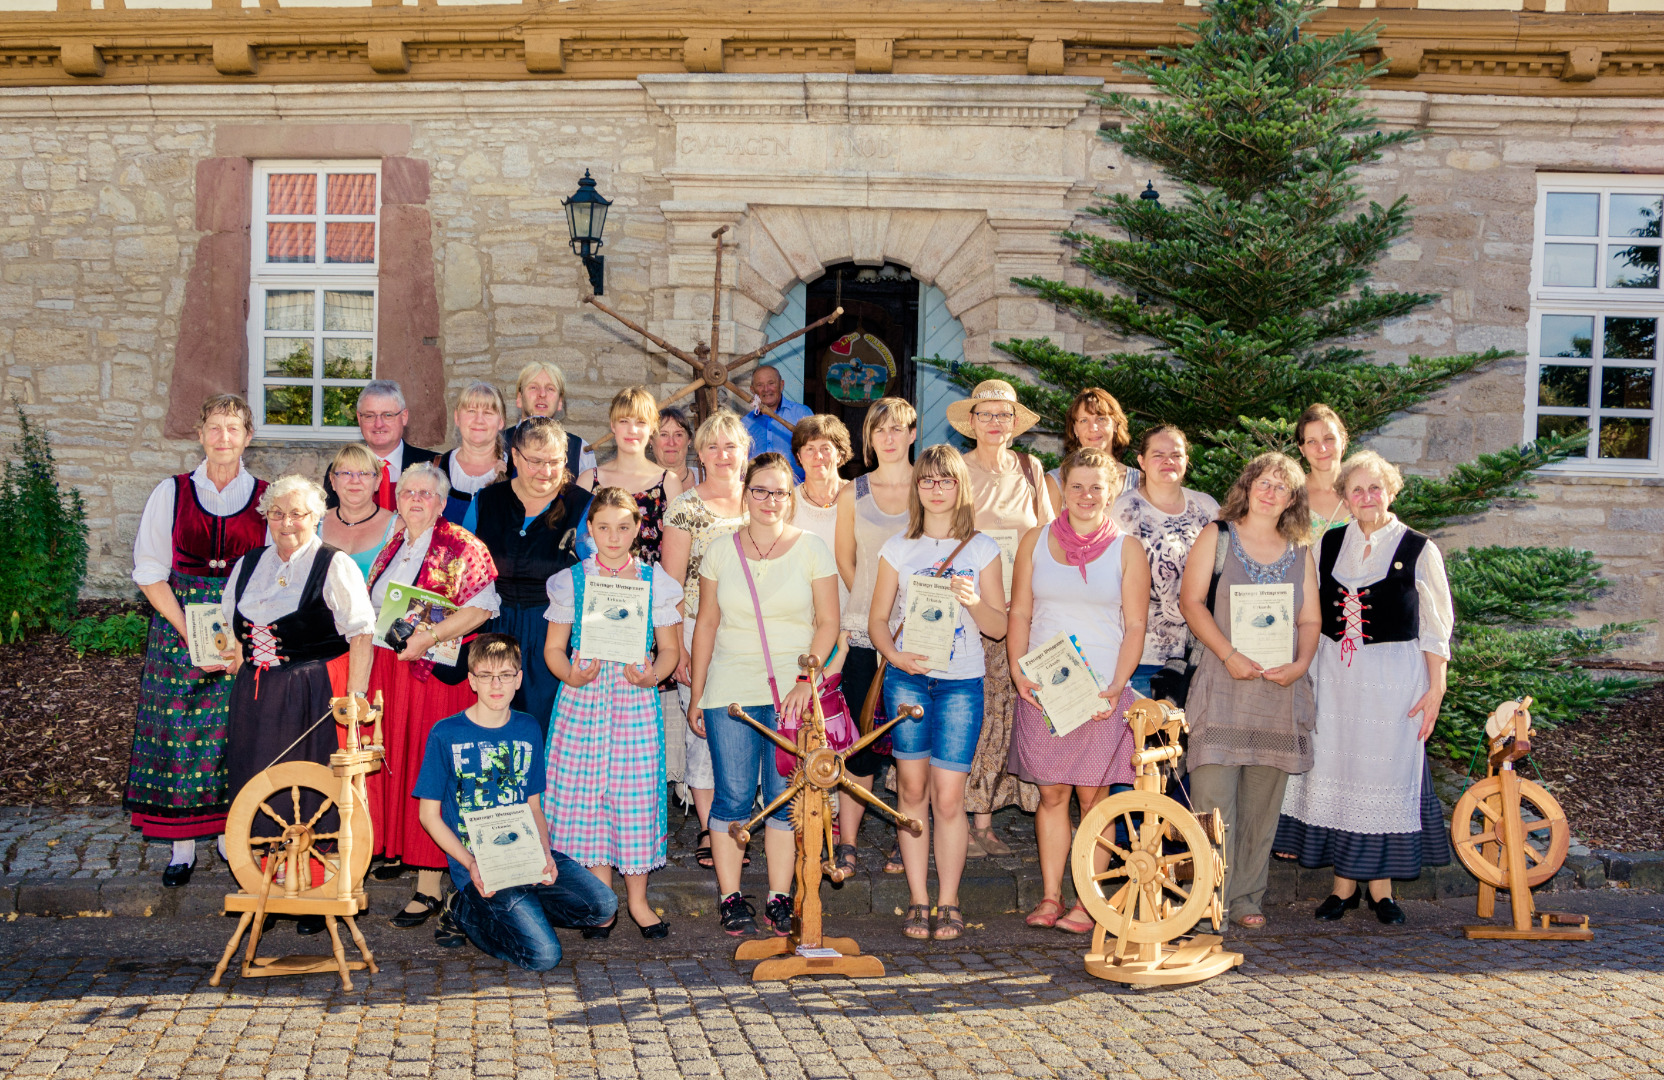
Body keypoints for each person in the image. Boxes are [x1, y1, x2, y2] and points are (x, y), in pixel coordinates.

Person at [1275, 450, 1454, 926]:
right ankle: (1342, 889)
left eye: (1376, 487)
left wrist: (1435, 688)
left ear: (1390, 491)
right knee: (1339, 768)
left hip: (1395, 680)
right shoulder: (1329, 543)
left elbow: (1436, 629)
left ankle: (1382, 891)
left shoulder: (1419, 549)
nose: (1367, 496)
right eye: (1357, 489)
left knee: (1382, 774)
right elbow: (1308, 612)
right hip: (1335, 677)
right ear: (1346, 498)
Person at [687, 452, 839, 937]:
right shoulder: (719, 550)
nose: (770, 500)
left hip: (793, 694)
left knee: (782, 797)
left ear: (790, 498)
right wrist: (697, 693)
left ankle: (778, 897)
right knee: (732, 795)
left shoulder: (813, 548)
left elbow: (828, 623)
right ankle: (730, 898)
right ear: (746, 493)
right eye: (760, 490)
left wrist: (805, 681)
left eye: (779, 492)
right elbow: (707, 624)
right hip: (729, 690)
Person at [218, 475, 375, 934]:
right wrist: (229, 660)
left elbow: (361, 634)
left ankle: (313, 892)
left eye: (297, 514)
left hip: (310, 693)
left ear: (316, 517)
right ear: (266, 517)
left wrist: (355, 698)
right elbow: (233, 635)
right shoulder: (249, 564)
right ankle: (264, 889)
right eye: (277, 513)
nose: (286, 523)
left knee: (307, 790)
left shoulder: (334, 564)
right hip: (254, 694)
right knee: (254, 783)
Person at [125, 394, 270, 887]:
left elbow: (273, 573)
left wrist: (239, 638)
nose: (223, 437)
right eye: (215, 427)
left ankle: (232, 837)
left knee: (235, 731)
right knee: (179, 733)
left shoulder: (266, 497)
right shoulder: (171, 492)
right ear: (201, 433)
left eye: (233, 428)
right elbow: (149, 570)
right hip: (178, 624)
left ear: (248, 437)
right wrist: (191, 632)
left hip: (241, 625)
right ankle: (181, 846)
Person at [1007, 447, 1150, 935]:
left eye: (1096, 487)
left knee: (1094, 799)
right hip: (1044, 689)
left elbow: (1135, 626)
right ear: (1062, 489)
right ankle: (1051, 896)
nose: (1086, 495)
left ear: (1111, 492)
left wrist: (1117, 685)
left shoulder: (1127, 549)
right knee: (1051, 796)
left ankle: (1089, 900)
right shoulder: (1035, 540)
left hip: (1101, 693)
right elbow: (1020, 612)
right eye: (1077, 486)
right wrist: (1018, 672)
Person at [868, 444, 1007, 942]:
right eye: (927, 480)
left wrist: (973, 601)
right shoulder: (897, 548)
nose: (936, 488)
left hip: (961, 683)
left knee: (949, 798)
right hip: (908, 678)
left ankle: (949, 900)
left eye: (946, 480)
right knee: (911, 791)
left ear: (960, 487)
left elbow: (999, 626)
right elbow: (877, 620)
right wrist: (895, 656)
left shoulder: (982, 548)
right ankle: (918, 899)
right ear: (917, 488)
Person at [415, 634, 618, 970]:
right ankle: (462, 908)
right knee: (544, 957)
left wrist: (545, 852)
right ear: (471, 680)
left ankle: (522, 909)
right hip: (481, 865)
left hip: (526, 855)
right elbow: (428, 816)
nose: (496, 685)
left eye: (505, 675)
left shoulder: (528, 727)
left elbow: (534, 806)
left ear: (518, 679)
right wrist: (469, 864)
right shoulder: (445, 733)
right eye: (486, 676)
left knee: (603, 906)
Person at [1179, 454, 1320, 931]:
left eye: (1282, 487)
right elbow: (1191, 602)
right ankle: (1205, 898)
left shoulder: (1300, 551)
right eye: (1264, 482)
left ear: (1292, 499)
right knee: (1211, 802)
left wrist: (1300, 665)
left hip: (1278, 695)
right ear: (1248, 485)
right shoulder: (1217, 536)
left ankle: (1245, 897)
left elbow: (1310, 619)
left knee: (1261, 808)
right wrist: (1229, 654)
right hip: (1223, 686)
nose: (1270, 492)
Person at [543, 488, 684, 939]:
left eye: (623, 527)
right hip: (583, 699)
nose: (613, 536)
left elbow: (670, 650)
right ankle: (602, 901)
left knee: (632, 795)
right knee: (588, 795)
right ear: (590, 529)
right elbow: (553, 648)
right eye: (604, 527)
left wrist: (652, 675)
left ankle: (638, 902)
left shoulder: (654, 581)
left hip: (632, 700)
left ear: (638, 529)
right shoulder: (572, 580)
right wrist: (570, 674)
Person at [364, 462, 500, 927]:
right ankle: (399, 851)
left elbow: (482, 609)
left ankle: (429, 886)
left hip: (433, 676)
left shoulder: (463, 545)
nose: (416, 500)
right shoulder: (394, 543)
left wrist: (429, 636)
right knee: (397, 764)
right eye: (408, 492)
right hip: (389, 669)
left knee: (431, 771)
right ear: (397, 500)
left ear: (442, 503)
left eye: (426, 493)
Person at [948, 378, 1053, 855]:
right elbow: (944, 535)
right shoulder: (957, 470)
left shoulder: (1031, 470)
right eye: (986, 414)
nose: (995, 422)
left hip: (1023, 610)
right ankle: (963, 818)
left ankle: (985, 821)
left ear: (1015, 423)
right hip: (970, 608)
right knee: (975, 712)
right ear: (971, 422)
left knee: (1008, 712)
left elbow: (1047, 538)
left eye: (1004, 415)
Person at [659, 410, 750, 868]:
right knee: (704, 731)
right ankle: (710, 827)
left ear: (745, 451)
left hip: (754, 633)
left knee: (747, 728)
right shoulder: (684, 509)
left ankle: (740, 822)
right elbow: (670, 587)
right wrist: (677, 648)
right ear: (700, 453)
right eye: (712, 446)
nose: (722, 455)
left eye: (730, 446)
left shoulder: (763, 500)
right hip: (699, 629)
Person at [832, 397, 916, 877]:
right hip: (865, 631)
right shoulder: (854, 492)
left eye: (897, 428)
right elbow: (845, 558)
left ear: (911, 434)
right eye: (879, 429)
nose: (888, 437)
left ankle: (907, 838)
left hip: (916, 632)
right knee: (860, 739)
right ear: (869, 437)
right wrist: (873, 606)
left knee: (910, 744)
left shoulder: (928, 487)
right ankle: (847, 842)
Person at [472, 418, 590, 736]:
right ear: (514, 455)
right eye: (535, 461)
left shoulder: (582, 506)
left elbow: (601, 573)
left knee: (544, 733)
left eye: (554, 462)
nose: (545, 472)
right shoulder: (485, 502)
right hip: (491, 632)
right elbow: (461, 571)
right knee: (492, 733)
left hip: (553, 638)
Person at [1112, 426, 1222, 696]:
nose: (1168, 461)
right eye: (1158, 455)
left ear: (1187, 460)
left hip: (1200, 656)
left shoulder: (1208, 507)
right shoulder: (1121, 511)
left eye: (1176, 455)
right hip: (1143, 659)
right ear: (1141, 461)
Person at [576, 386, 682, 566]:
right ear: (613, 425)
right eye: (624, 421)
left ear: (652, 428)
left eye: (640, 422)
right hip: (596, 582)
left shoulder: (669, 484)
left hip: (651, 583)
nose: (632, 430)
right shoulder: (588, 481)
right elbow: (575, 544)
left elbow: (676, 557)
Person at [325, 380, 438, 510]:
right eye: (369, 416)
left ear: (404, 417)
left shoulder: (433, 466)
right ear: (359, 418)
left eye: (387, 415)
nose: (378, 424)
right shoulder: (340, 472)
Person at [1043, 388, 1141, 517]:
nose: (1093, 428)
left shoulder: (1139, 481)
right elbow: (1048, 529)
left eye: (1101, 419)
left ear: (1115, 425)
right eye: (1084, 420)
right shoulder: (1055, 481)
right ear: (1075, 429)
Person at [791, 413, 853, 611]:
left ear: (840, 454)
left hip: (850, 610)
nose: (818, 456)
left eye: (826, 448)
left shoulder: (859, 499)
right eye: (809, 449)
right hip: (801, 614)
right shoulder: (787, 503)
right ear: (799, 457)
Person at [318, 443, 398, 580]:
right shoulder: (314, 524)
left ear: (377, 481)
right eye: (346, 473)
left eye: (364, 473)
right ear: (333, 480)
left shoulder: (397, 529)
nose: (355, 481)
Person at [437, 380, 509, 528]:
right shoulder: (437, 469)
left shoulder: (517, 471)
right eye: (471, 411)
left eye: (488, 413)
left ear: (501, 421)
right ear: (457, 417)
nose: (479, 420)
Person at [514, 360, 596, 478]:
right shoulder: (499, 445)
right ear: (519, 398)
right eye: (533, 387)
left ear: (560, 401)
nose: (542, 394)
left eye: (550, 389)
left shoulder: (580, 451)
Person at [739, 365, 812, 481]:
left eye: (771, 383)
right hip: (756, 489)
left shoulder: (802, 414)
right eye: (760, 385)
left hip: (795, 488)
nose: (766, 389)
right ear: (752, 390)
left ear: (781, 385)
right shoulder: (744, 424)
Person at [1296, 404, 1353, 534]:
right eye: (1312, 441)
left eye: (1329, 439)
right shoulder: (1292, 496)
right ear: (1301, 448)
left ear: (1343, 440)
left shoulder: (1362, 492)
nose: (1321, 449)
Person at [650, 407, 702, 488]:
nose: (671, 443)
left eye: (678, 435)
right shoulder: (639, 486)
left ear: (689, 439)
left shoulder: (707, 478)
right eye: (663, 434)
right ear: (651, 440)